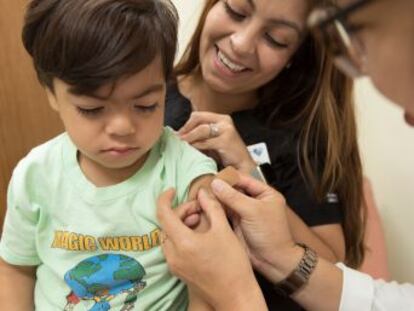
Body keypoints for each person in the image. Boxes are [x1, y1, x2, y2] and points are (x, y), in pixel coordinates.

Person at [157, 0, 414, 310]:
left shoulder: (297, 137)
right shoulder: (146, 97)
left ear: (296, 55)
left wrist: (249, 170)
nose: (240, 44)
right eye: (236, 10)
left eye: (276, 39)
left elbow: (333, 264)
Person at [0, 0, 218, 310]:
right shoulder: (35, 174)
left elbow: (211, 282)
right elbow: (15, 269)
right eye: (92, 109)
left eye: (145, 106)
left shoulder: (185, 171)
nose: (122, 127)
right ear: (51, 94)